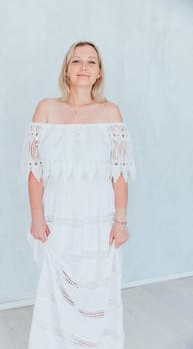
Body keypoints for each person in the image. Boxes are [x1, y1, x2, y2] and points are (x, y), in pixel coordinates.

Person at [20, 40, 136, 349]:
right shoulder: (45, 108)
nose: (83, 67)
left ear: (99, 73)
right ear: (66, 71)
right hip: (57, 217)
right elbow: (35, 169)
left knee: (97, 288)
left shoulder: (110, 112)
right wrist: (36, 215)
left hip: (99, 217)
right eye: (76, 61)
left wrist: (121, 221)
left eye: (91, 62)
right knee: (55, 291)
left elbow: (120, 172)